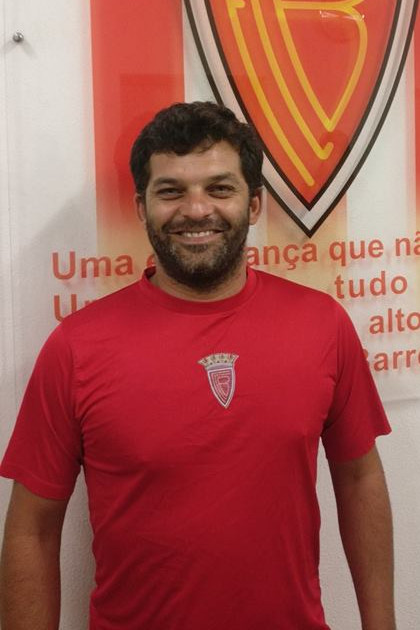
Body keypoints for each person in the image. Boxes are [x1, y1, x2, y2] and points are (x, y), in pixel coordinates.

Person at [0, 101, 395, 630]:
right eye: (171, 191)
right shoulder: (76, 347)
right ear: (141, 207)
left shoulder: (323, 324)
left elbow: (360, 479)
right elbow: (32, 529)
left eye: (219, 188)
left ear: (253, 205)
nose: (196, 209)